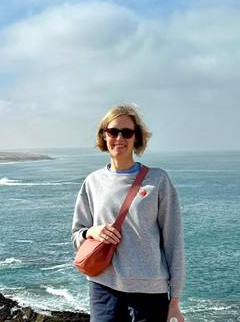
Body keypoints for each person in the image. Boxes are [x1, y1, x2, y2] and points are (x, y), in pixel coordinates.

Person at [72, 104, 185, 322]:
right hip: (104, 287)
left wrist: (175, 300)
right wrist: (92, 232)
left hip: (150, 292)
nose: (119, 138)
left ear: (136, 138)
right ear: (104, 136)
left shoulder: (158, 180)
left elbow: (174, 241)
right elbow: (77, 235)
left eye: (127, 132)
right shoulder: (93, 182)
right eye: (113, 131)